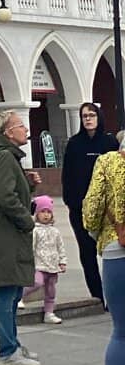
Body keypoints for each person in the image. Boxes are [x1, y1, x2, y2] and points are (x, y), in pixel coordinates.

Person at [0, 109, 39, 365]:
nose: (26, 130)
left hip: (9, 233)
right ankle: (8, 352)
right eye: (21, 126)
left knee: (13, 290)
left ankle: (13, 345)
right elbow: (5, 197)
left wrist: (28, 186)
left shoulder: (7, 156)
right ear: (8, 132)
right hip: (6, 234)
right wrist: (27, 220)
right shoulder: (6, 156)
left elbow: (10, 191)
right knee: (7, 292)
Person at [62, 101, 118, 305]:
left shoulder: (108, 143)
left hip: (106, 209)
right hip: (80, 208)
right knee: (87, 252)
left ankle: (114, 295)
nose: (88, 119)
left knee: (111, 252)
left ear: (99, 117)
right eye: (84, 116)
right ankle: (97, 296)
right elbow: (67, 175)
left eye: (91, 115)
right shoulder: (75, 143)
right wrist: (71, 201)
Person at [82, 131, 125, 365]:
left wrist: (97, 234)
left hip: (117, 252)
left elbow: (93, 207)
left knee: (122, 333)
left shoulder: (108, 162)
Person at [18, 195, 67, 324]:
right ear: (37, 214)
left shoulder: (55, 231)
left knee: (51, 290)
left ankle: (49, 313)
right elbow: (31, 247)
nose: (46, 215)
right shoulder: (35, 230)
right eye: (42, 212)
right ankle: (18, 296)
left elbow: (60, 247)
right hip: (39, 264)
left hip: (52, 266)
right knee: (37, 282)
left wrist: (62, 261)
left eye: (48, 212)